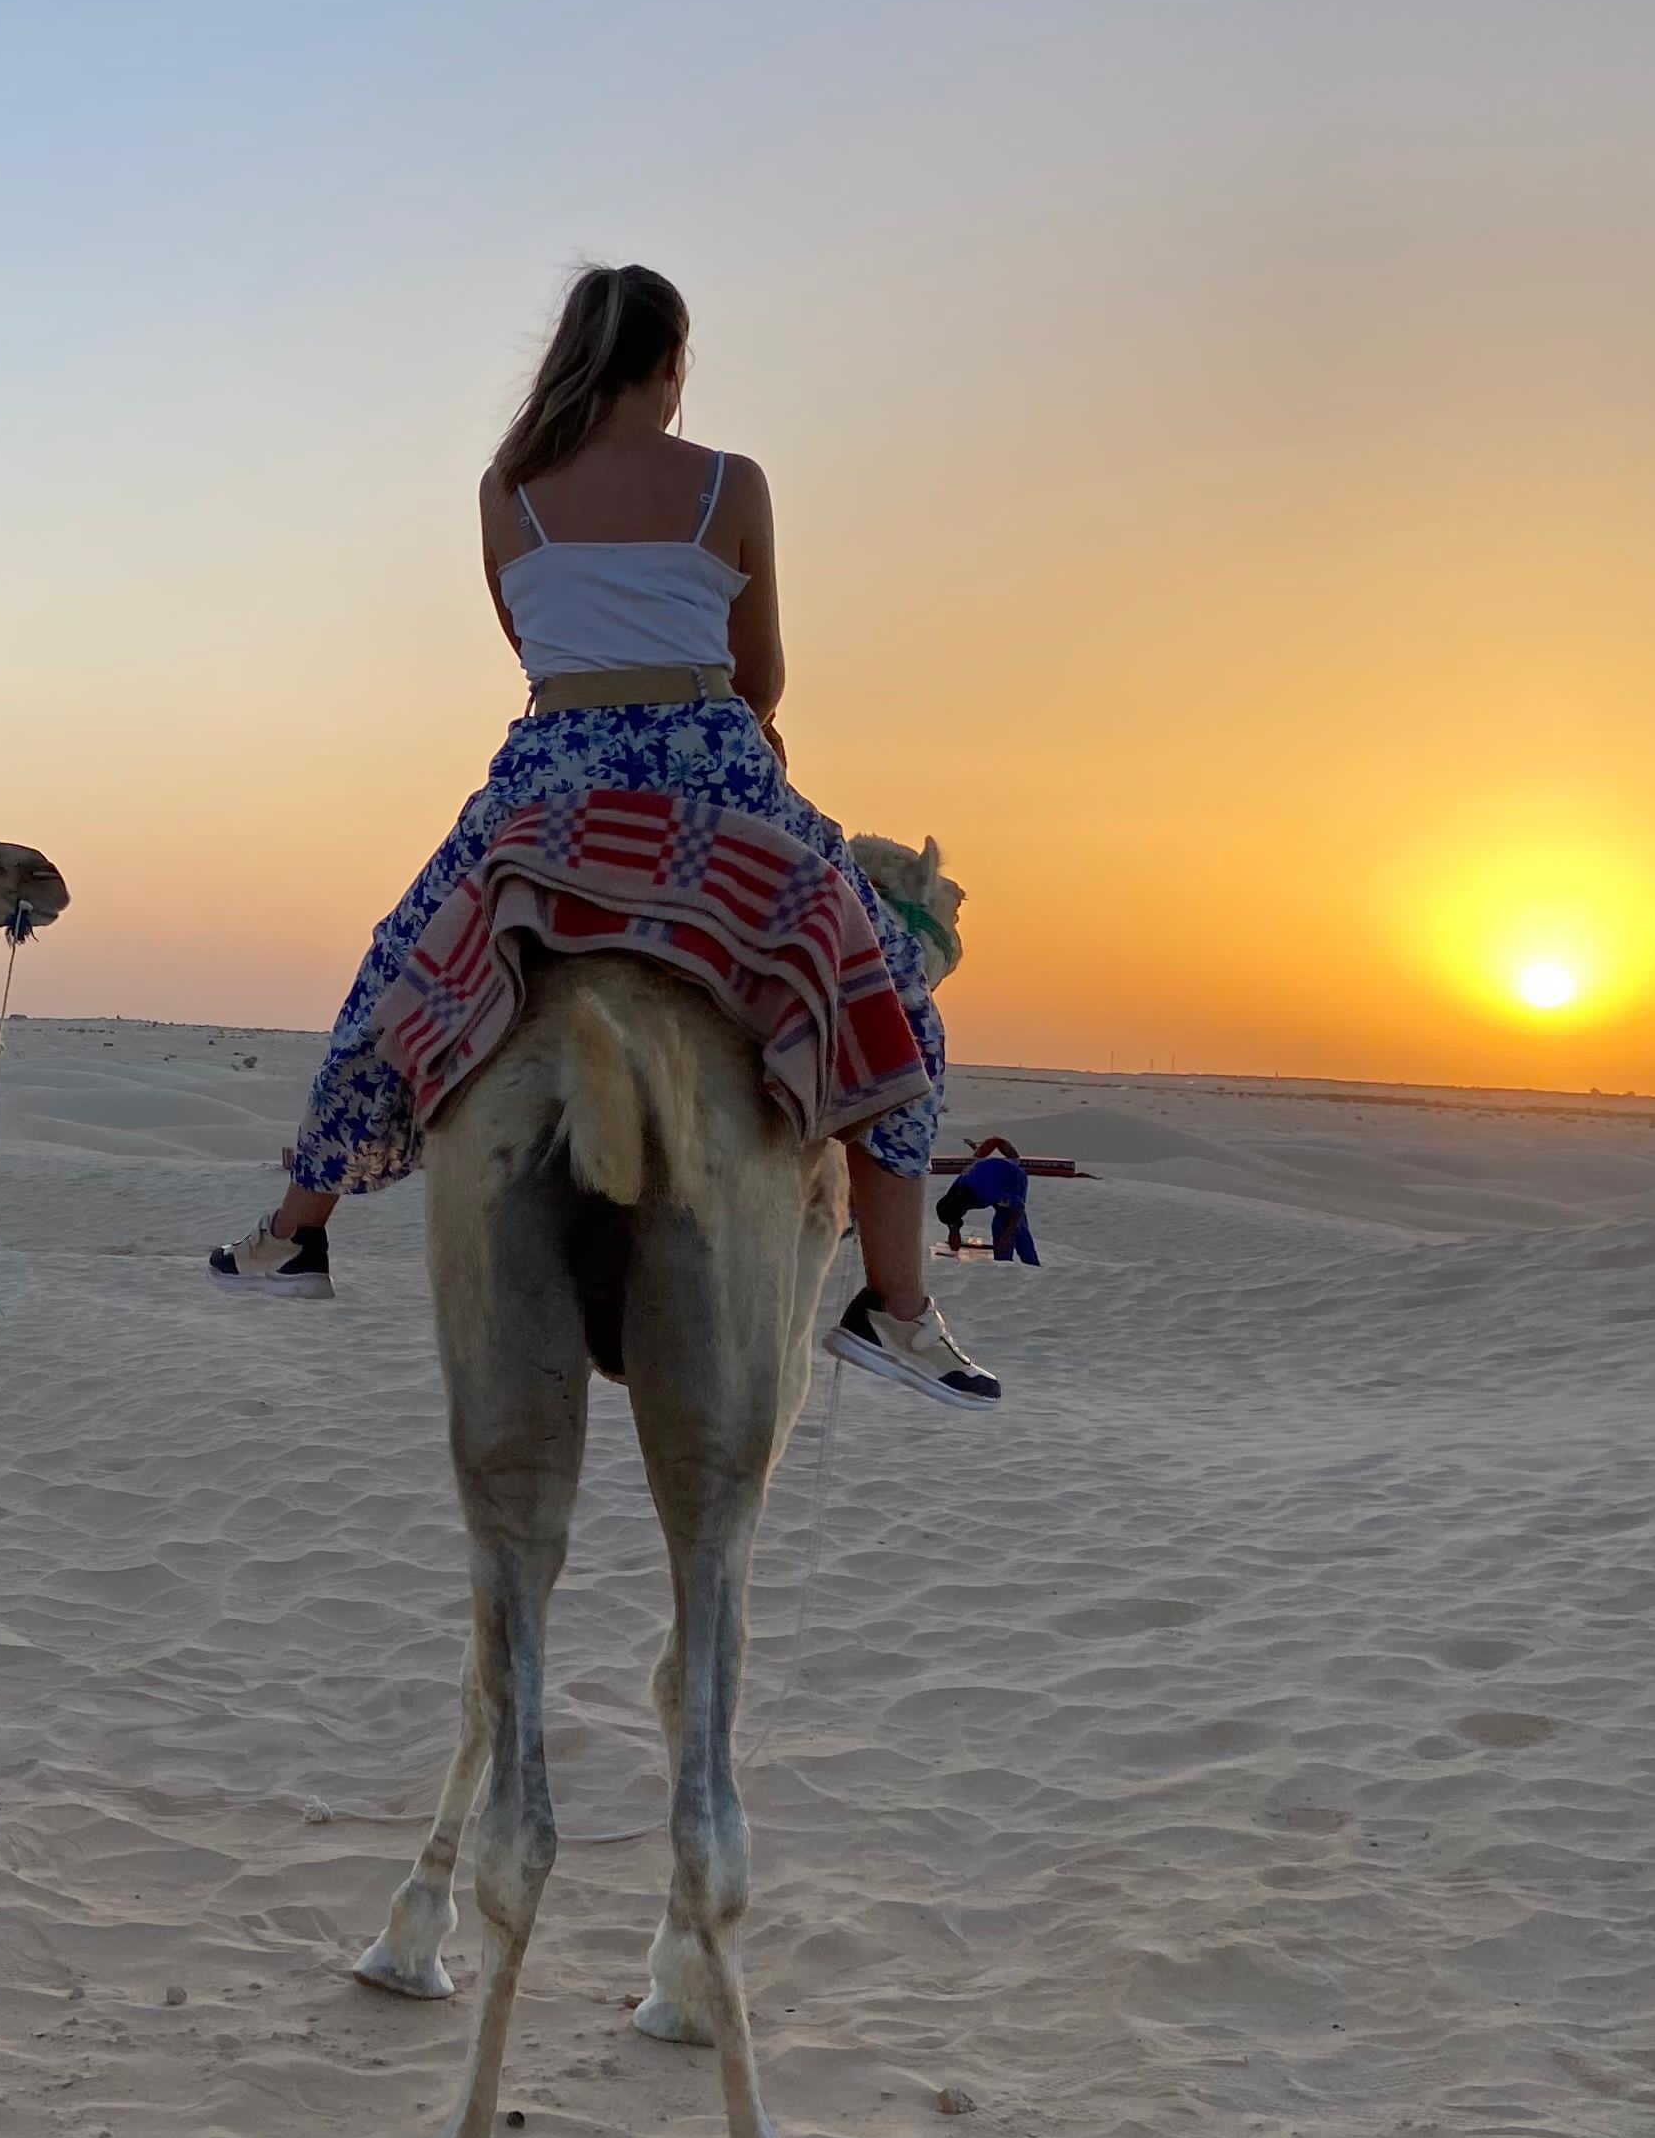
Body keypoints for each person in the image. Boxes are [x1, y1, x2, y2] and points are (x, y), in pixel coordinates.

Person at [204, 263, 999, 1411]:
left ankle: (296, 1232)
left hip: (553, 779)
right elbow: (762, 672)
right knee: (895, 1006)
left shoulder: (506, 492)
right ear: (673, 365)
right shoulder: (731, 482)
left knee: (398, 971)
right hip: (712, 777)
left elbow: (532, 651)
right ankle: (897, 1310)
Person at [937, 1136, 1041, 1264]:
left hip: (1012, 1178)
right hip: (988, 1173)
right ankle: (1003, 1261)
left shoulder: (988, 1193)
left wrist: (1007, 1235)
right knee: (1002, 1229)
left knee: (1009, 1223)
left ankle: (1029, 1262)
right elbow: (952, 1221)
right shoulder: (955, 1193)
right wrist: (954, 1231)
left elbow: (1018, 1208)